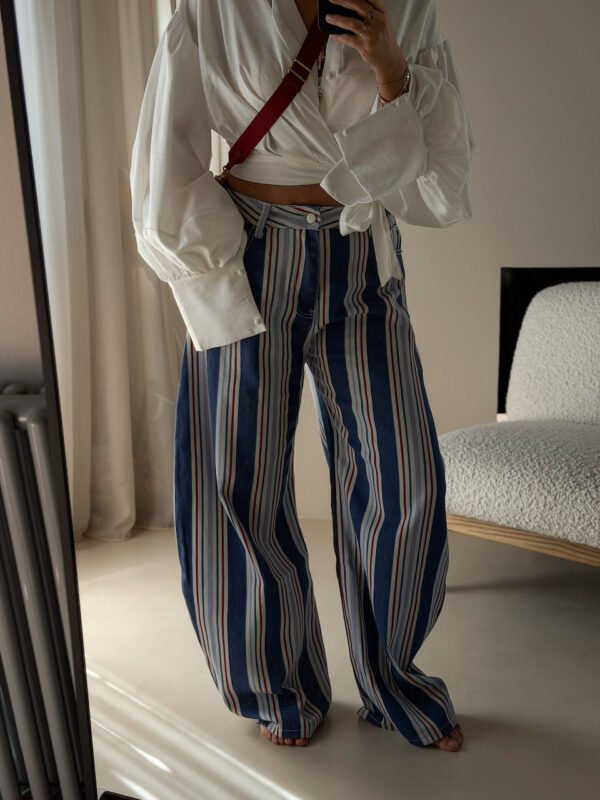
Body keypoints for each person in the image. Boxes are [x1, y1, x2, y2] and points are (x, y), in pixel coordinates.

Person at [130, 0, 474, 752]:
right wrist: (209, 272)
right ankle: (279, 687)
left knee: (405, 475)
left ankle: (394, 680)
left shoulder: (407, 7)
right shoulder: (215, 9)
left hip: (362, 249)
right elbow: (167, 149)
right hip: (247, 252)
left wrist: (391, 70)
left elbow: (441, 166)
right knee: (240, 482)